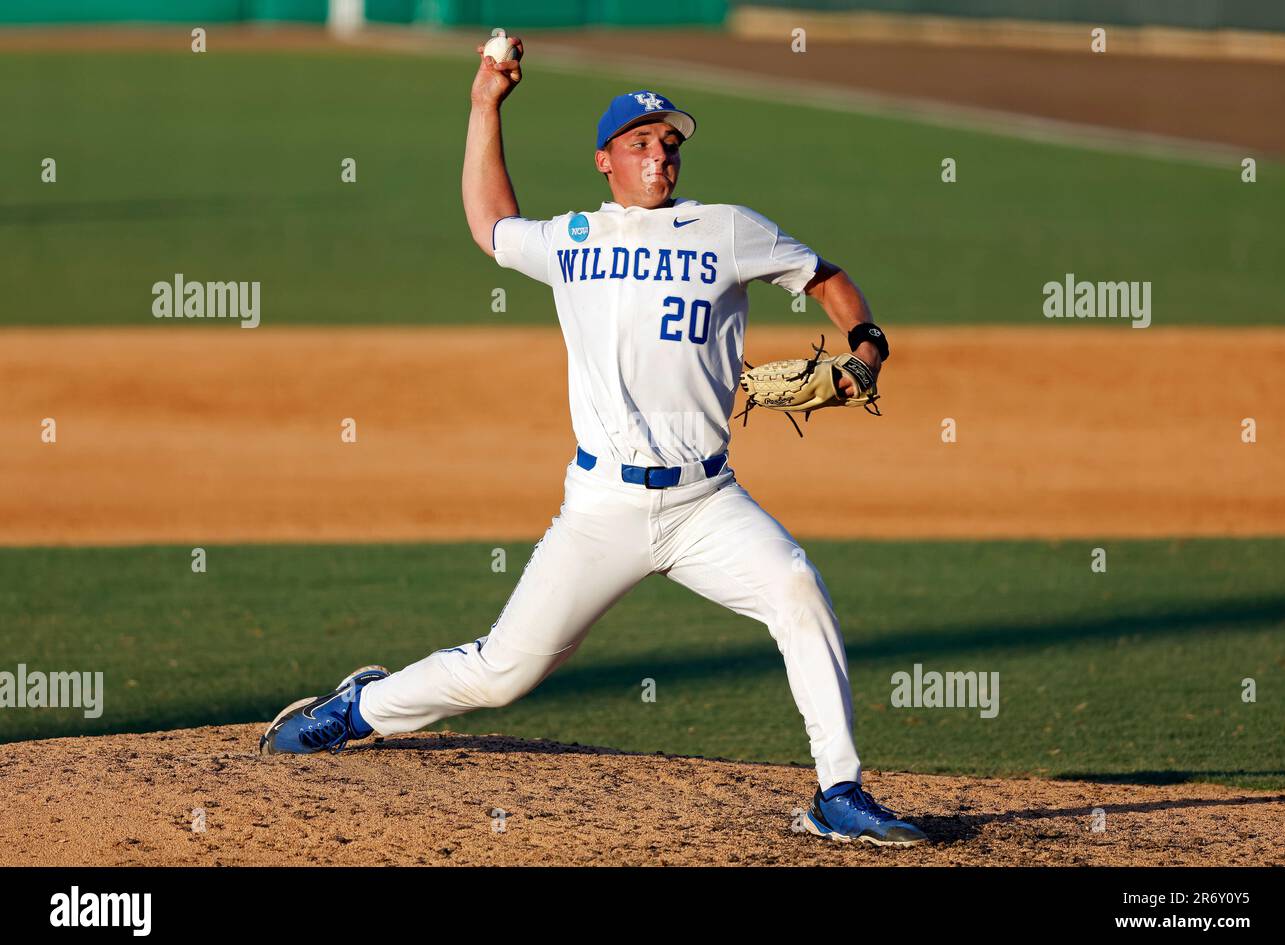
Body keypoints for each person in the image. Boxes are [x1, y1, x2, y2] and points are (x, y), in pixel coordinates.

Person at [260, 36, 927, 846]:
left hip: (706, 502)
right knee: (504, 673)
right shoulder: (575, 239)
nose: (660, 155)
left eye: (670, 142)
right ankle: (360, 707)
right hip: (602, 507)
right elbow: (491, 223)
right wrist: (484, 104)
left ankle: (839, 791)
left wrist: (867, 343)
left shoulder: (728, 230)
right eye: (641, 143)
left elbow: (822, 275)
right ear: (605, 160)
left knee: (796, 589)